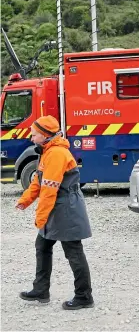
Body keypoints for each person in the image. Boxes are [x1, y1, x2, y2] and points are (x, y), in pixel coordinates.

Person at [15, 115, 94, 310]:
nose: (31, 138)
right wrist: (24, 201)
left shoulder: (56, 154)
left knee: (73, 251)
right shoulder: (47, 151)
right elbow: (38, 182)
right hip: (58, 208)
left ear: (44, 135)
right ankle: (41, 290)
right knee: (42, 245)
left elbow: (49, 190)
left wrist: (40, 218)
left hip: (66, 208)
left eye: (34, 135)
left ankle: (84, 296)